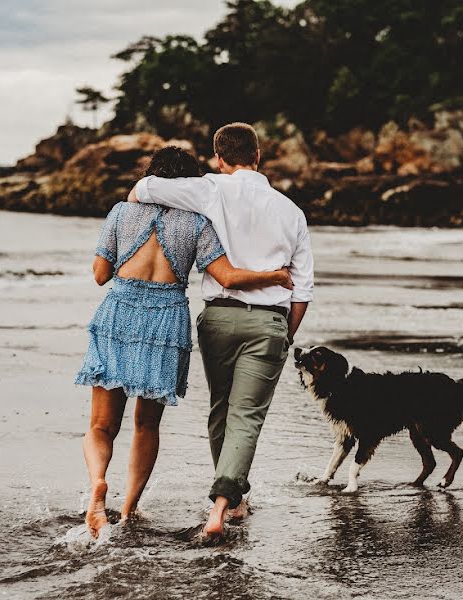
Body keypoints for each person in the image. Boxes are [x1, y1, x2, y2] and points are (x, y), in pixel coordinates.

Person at [75, 145, 293, 538]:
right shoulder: (197, 222)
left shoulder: (121, 212)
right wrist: (274, 277)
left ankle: (97, 489)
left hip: (119, 313)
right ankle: (127, 510)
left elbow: (100, 274)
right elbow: (226, 277)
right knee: (146, 424)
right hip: (165, 321)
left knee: (101, 426)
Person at [128, 122, 314, 538]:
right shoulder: (291, 211)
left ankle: (232, 499)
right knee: (246, 415)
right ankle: (222, 505)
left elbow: (146, 189)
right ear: (258, 156)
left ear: (218, 157)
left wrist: (136, 199)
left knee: (222, 410)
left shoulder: (210, 188)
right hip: (268, 322)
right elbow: (302, 288)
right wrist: (285, 335)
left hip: (217, 319)